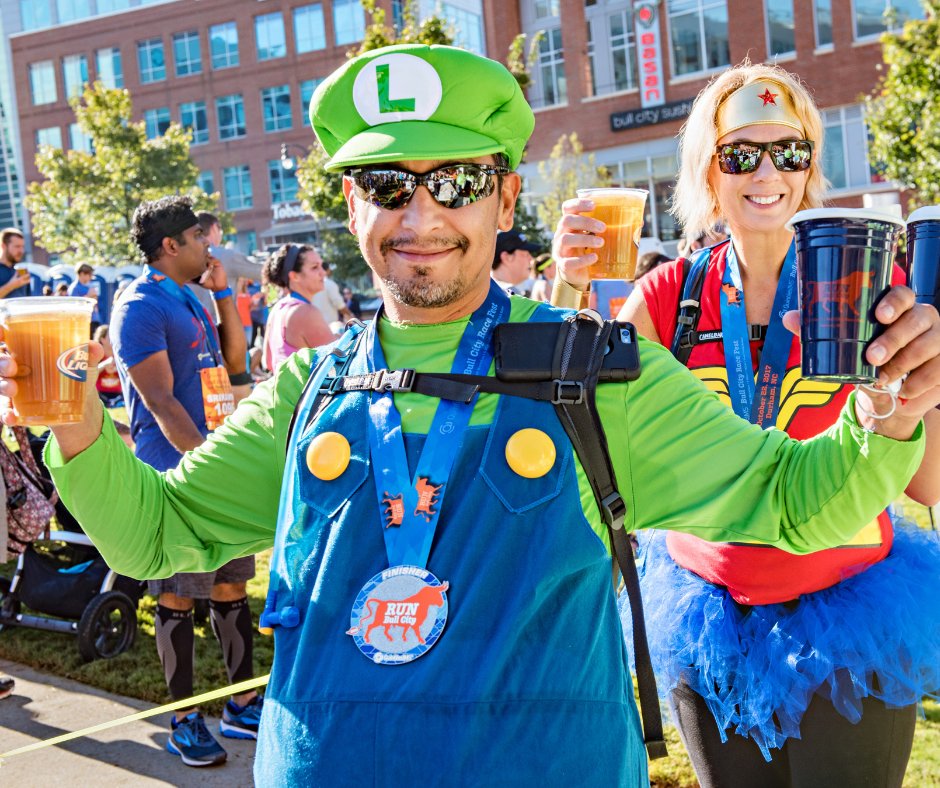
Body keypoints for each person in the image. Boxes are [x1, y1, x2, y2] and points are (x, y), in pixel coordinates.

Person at [8, 45, 940, 786]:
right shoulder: (313, 388)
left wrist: (890, 410)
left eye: (454, 180)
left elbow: (795, 501)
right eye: (388, 185)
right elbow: (156, 532)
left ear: (504, 194)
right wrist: (77, 423)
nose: (421, 213)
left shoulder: (592, 368)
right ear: (348, 202)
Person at [553, 62, 940, 788]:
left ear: (809, 169)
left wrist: (917, 384)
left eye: (790, 152)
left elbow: (928, 480)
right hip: (708, 614)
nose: (769, 172)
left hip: (851, 612)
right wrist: (565, 290)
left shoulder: (865, 282)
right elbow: (577, 436)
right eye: (742, 154)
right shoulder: (668, 296)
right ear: (709, 173)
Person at [107, 196, 261, 768]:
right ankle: (185, 719)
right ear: (170, 246)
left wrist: (223, 294)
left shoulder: (189, 298)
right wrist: (205, 468)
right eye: (200, 238)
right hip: (178, 473)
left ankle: (240, 703)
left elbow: (234, 362)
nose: (208, 247)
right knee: (176, 594)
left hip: (212, 461)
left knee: (228, 586)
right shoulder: (140, 306)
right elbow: (160, 400)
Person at [261, 243, 335, 370]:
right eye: (314, 267)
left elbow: (267, 362)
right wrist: (339, 331)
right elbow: (340, 362)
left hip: (283, 388)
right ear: (294, 276)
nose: (323, 273)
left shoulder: (277, 309)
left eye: (321, 266)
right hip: (306, 389)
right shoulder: (305, 312)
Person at [492, 228, 540, 295]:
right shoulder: (508, 296)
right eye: (526, 254)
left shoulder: (485, 290)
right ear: (506, 257)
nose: (531, 259)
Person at [311, 260, 353, 328]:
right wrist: (351, 316)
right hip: (330, 327)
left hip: (314, 326)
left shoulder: (311, 284)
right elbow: (340, 305)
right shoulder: (329, 284)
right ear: (327, 270)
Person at [67, 263, 102, 333]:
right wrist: (89, 296)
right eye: (89, 274)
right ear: (82, 274)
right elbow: (74, 306)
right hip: (84, 322)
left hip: (93, 319)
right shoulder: (74, 288)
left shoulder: (88, 286)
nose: (91, 277)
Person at [0, 229, 29, 299]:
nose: (21, 251)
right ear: (3, 246)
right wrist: (12, 285)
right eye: (17, 246)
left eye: (22, 246)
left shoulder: (20, 271)